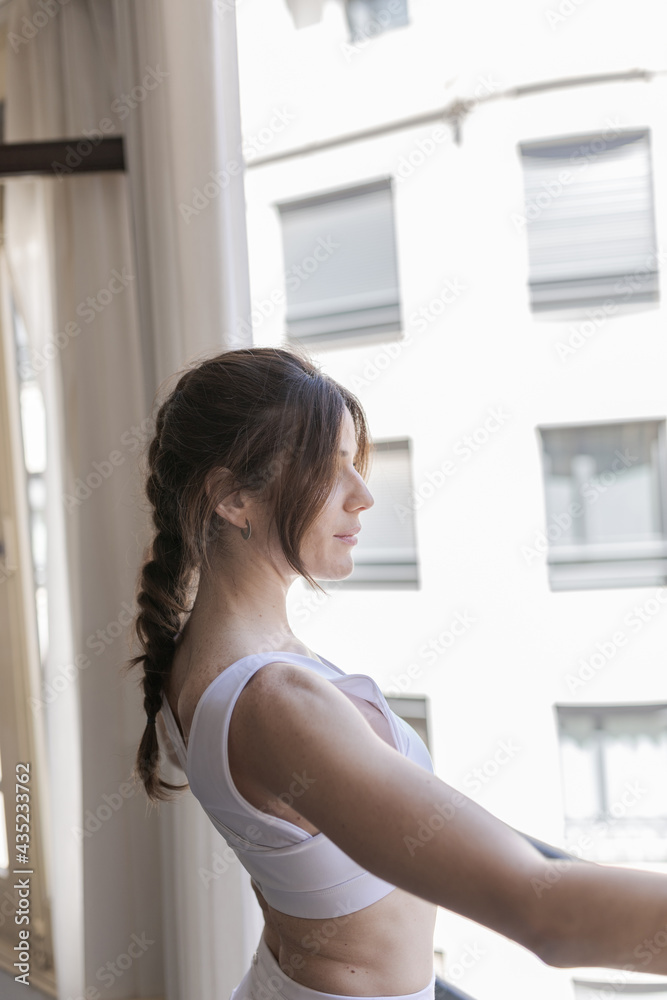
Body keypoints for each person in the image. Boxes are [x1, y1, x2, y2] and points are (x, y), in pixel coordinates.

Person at [125, 344, 667, 1000]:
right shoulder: (274, 700)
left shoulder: (203, 653)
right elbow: (548, 917)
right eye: (328, 470)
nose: (363, 496)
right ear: (233, 498)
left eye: (352, 464)